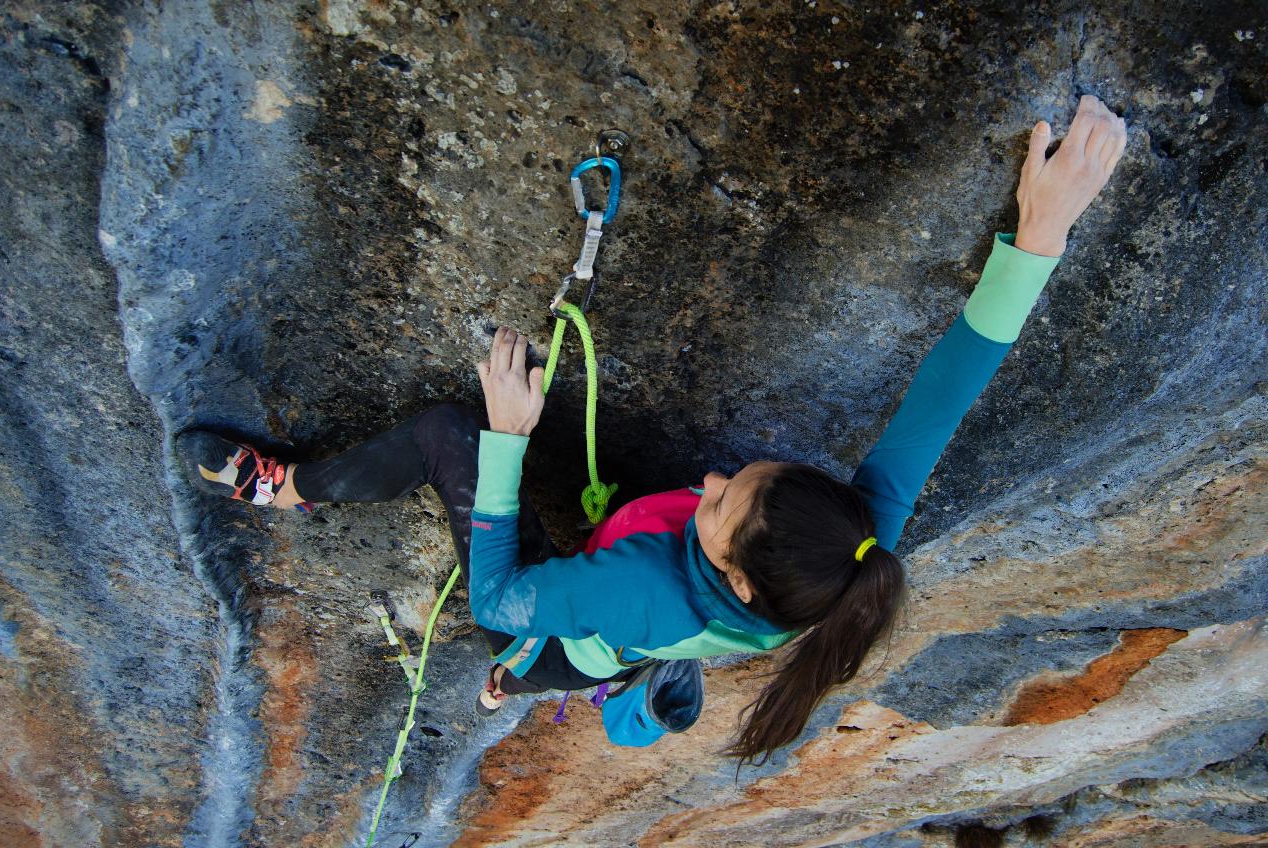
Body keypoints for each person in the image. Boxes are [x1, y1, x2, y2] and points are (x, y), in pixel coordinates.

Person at [180, 95, 1127, 765]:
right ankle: (513, 689)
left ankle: (283, 489)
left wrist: (508, 437)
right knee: (540, 664)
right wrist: (1041, 235)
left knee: (445, 439)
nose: (710, 482)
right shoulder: (843, 548)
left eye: (720, 504)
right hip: (616, 638)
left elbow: (503, 599)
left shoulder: (646, 593)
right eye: (746, 476)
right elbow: (944, 396)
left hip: (595, 623)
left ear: (734, 575)